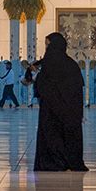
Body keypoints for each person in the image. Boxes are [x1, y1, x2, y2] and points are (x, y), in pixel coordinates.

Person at [32, 32, 88, 171]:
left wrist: (35, 76)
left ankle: (55, 161)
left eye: (48, 45)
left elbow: (42, 86)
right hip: (70, 112)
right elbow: (77, 90)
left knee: (52, 135)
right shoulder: (71, 65)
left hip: (51, 112)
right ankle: (71, 161)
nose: (46, 48)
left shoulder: (48, 65)